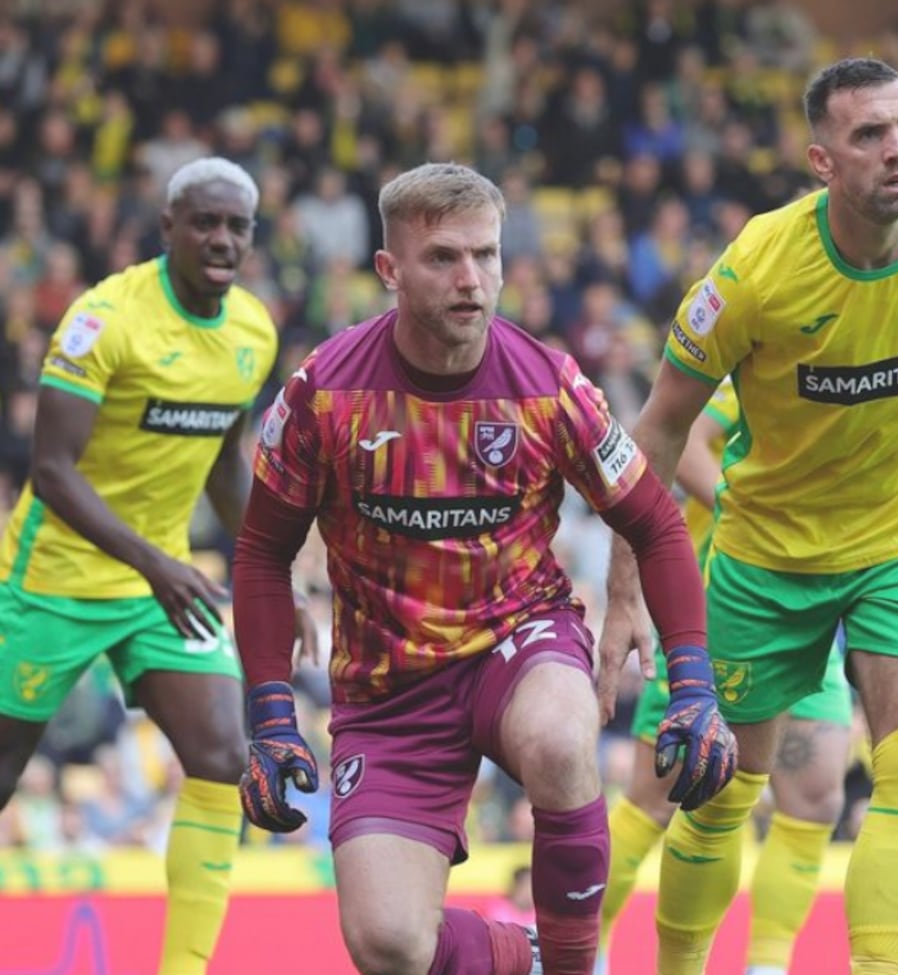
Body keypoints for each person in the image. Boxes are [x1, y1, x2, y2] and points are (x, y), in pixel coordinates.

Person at [597, 58, 898, 975]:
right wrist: (623, 592)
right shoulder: (757, 272)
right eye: (870, 135)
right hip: (768, 556)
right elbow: (654, 430)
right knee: (714, 789)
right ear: (821, 160)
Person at [230, 161, 737, 975]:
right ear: (389, 270)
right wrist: (270, 714)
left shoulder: (550, 387)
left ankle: (576, 964)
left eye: (487, 255)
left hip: (519, 638)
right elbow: (260, 550)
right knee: (389, 946)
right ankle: (530, 957)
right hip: (387, 684)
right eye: (443, 258)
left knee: (562, 737)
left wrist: (695, 681)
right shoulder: (321, 394)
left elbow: (655, 520)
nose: (472, 279)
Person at [0, 156, 316, 975]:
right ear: (168, 226)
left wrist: (273, 571)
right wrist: (155, 563)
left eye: (235, 226)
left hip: (160, 583)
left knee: (222, 755)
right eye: (203, 222)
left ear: (252, 236)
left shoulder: (252, 331)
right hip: (52, 578)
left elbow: (224, 463)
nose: (220, 238)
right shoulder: (103, 321)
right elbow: (52, 473)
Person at [598, 380, 852, 975]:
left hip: (810, 608)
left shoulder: (854, 381)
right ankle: (576, 945)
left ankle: (766, 966)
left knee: (816, 797)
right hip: (719, 608)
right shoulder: (759, 374)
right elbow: (679, 445)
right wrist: (755, 520)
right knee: (657, 800)